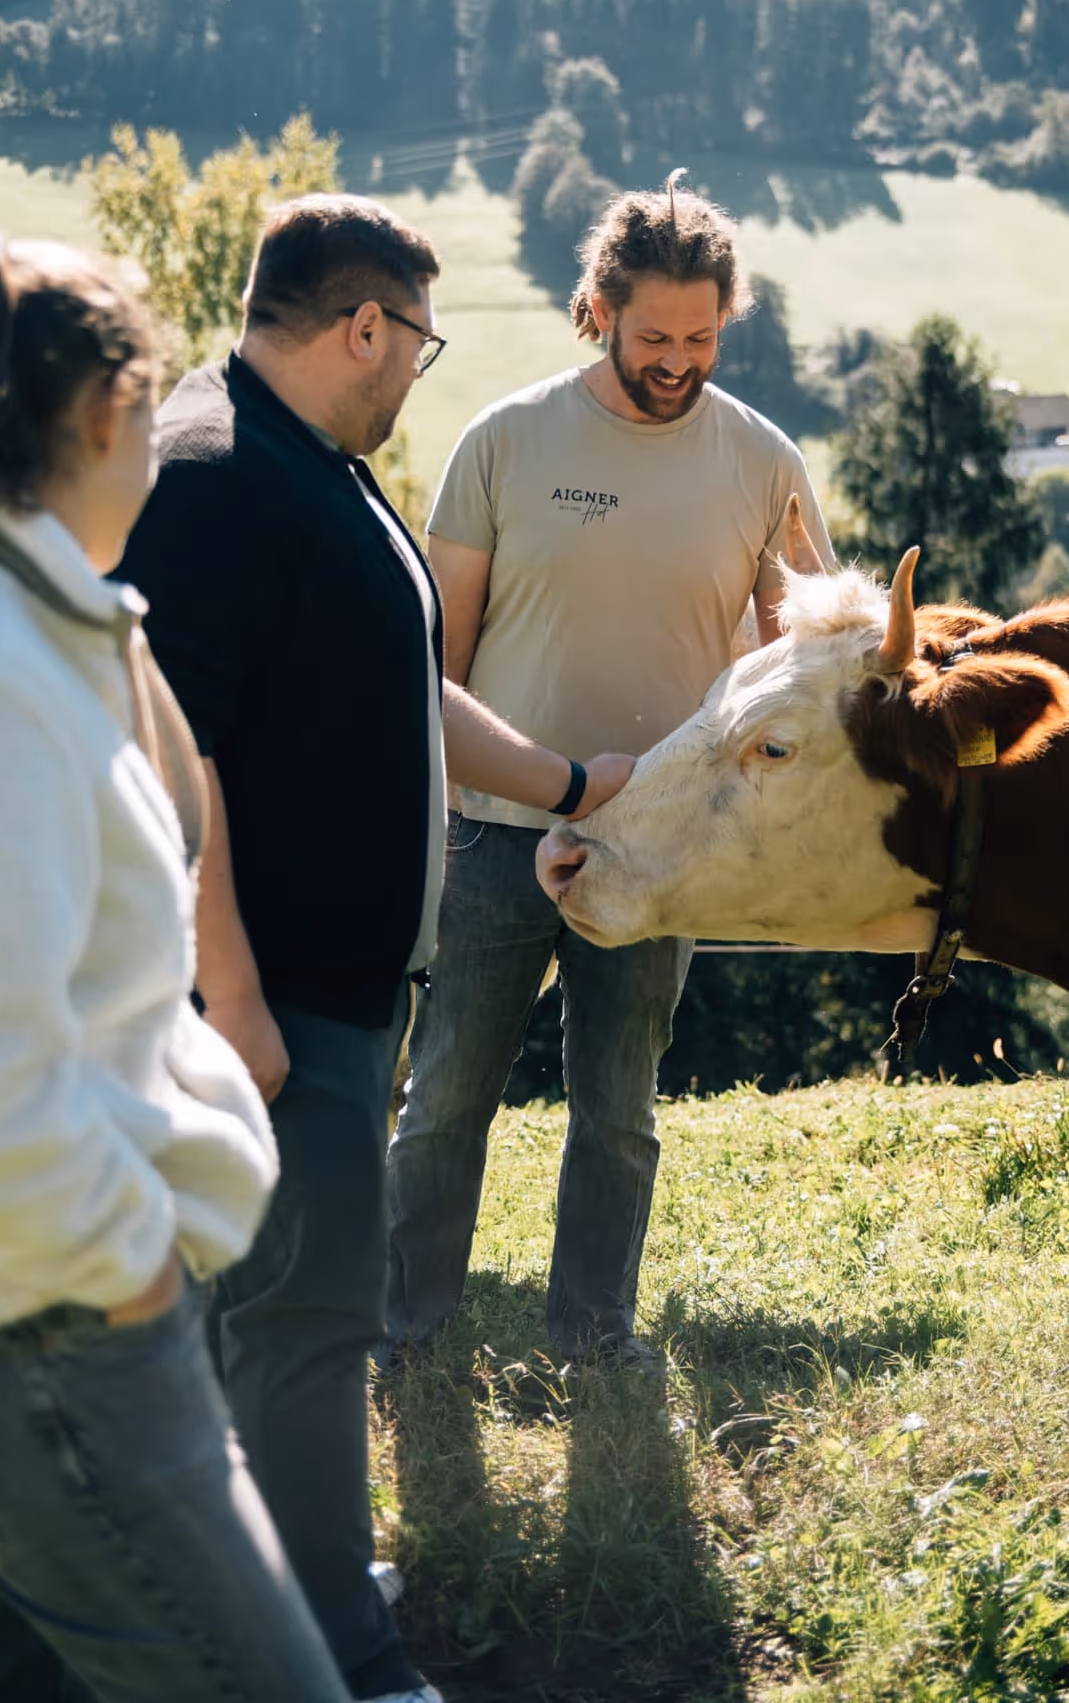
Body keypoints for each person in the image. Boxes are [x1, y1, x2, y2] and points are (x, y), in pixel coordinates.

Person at [118, 193, 630, 1703]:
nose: (420, 365)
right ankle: (336, 1661)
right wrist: (233, 995)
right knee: (305, 1327)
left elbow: (410, 693)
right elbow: (177, 747)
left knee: (282, 1321)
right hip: (278, 1011)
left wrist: (571, 784)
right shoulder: (215, 477)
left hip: (335, 997)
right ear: (364, 327)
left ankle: (277, 1600)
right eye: (417, 337)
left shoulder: (317, 475)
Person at [0, 219, 355, 1703]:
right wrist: (125, 1271)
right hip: (48, 1337)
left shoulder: (20, 629)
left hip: (8, 1320)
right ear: (105, 412)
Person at [383, 173, 835, 1370]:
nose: (677, 359)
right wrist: (450, 810)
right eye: (652, 337)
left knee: (620, 1114)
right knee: (442, 1103)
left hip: (657, 844)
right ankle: (404, 1330)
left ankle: (593, 1334)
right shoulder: (504, 439)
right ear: (597, 308)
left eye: (699, 336)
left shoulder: (765, 462)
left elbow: (803, 669)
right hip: (490, 829)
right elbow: (440, 654)